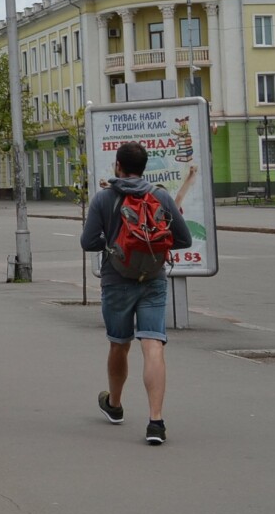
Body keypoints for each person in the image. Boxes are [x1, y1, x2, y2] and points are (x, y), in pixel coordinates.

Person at [80, 141, 193, 445]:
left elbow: (88, 241)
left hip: (117, 280)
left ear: (117, 165)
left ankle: (114, 405)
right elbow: (183, 238)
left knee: (119, 343)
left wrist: (113, 240)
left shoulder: (104, 199)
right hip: (153, 280)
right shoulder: (160, 196)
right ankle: (156, 421)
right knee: (153, 343)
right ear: (143, 167)